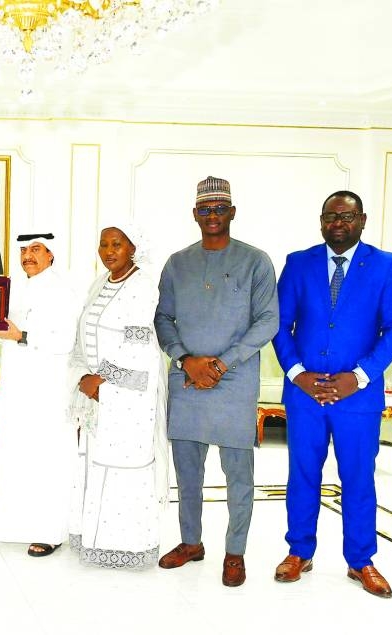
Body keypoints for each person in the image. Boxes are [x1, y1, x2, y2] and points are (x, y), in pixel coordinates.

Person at [272, 191, 392, 598]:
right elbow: (279, 324)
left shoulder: (385, 265)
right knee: (302, 475)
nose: (338, 223)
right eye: (330, 216)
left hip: (358, 398)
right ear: (321, 221)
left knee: (358, 478)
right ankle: (299, 552)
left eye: (346, 217)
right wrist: (297, 374)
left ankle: (361, 560)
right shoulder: (298, 263)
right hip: (305, 396)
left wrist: (360, 376)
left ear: (362, 220)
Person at [154, 176, 279, 587]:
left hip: (235, 382)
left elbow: (268, 321)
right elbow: (162, 318)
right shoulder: (177, 263)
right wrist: (185, 359)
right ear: (195, 214)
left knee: (238, 475)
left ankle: (235, 552)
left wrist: (221, 365)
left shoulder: (256, 261)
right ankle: (191, 543)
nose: (213, 215)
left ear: (232, 212)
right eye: (205, 209)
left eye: (220, 208)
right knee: (188, 472)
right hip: (187, 381)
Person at [69, 224, 169, 569]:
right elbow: (82, 335)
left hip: (129, 395)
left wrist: (102, 379)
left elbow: (139, 346)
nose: (109, 251)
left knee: (123, 465)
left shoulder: (142, 285)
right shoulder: (100, 282)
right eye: (103, 245)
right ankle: (94, 540)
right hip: (97, 391)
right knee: (96, 461)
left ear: (133, 248)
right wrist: (83, 376)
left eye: (117, 244)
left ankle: (127, 547)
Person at [0, 231, 80, 557]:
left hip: (48, 388)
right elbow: (10, 332)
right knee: (21, 453)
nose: (27, 256)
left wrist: (21, 336)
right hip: (19, 386)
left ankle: (50, 531)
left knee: (47, 457)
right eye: (24, 250)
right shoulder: (21, 288)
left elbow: (65, 339)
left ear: (51, 254)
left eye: (36, 249)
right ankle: (19, 525)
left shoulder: (62, 291)